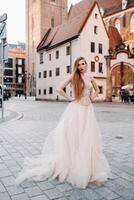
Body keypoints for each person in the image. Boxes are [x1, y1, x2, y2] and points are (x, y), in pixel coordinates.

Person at [15, 57, 111, 188]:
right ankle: (74, 164)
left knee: (87, 138)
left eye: (83, 64)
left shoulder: (90, 76)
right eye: (79, 65)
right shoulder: (74, 76)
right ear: (76, 67)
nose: (81, 66)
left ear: (86, 64)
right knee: (75, 137)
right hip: (76, 109)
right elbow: (59, 88)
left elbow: (97, 90)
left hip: (88, 110)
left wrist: (91, 98)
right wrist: (70, 98)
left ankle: (87, 166)